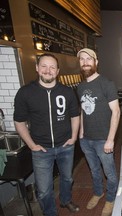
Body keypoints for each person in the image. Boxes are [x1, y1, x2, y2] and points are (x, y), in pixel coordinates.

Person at [13, 53, 80, 216]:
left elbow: (75, 116)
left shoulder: (67, 92)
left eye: (52, 67)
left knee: (67, 179)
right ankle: (50, 213)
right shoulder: (25, 93)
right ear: (37, 68)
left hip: (66, 146)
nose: (47, 70)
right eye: (44, 66)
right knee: (43, 190)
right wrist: (31, 145)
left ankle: (65, 200)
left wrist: (74, 137)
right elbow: (19, 122)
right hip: (41, 150)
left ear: (57, 71)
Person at [76, 48, 120, 216]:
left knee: (109, 172)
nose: (85, 62)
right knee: (94, 170)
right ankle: (97, 192)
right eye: (82, 59)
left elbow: (116, 112)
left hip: (103, 139)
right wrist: (81, 132)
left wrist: (110, 139)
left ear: (96, 62)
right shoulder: (80, 86)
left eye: (89, 59)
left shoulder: (106, 83)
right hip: (86, 139)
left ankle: (110, 199)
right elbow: (82, 110)